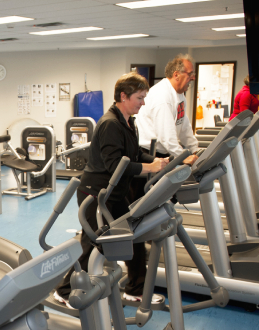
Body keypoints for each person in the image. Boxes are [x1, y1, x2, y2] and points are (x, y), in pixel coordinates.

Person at [55, 72, 168, 305]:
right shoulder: (110, 124)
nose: (143, 103)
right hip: (95, 195)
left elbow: (134, 154)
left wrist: (159, 161)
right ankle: (64, 291)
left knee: (132, 236)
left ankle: (135, 288)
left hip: (114, 194)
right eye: (140, 98)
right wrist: (149, 167)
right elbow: (115, 165)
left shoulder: (129, 122)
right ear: (124, 96)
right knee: (92, 242)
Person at [136, 54, 199, 165]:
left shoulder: (180, 96)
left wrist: (195, 150)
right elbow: (166, 134)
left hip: (162, 151)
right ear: (176, 75)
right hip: (148, 153)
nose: (193, 78)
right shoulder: (162, 95)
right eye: (190, 74)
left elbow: (184, 127)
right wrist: (181, 156)